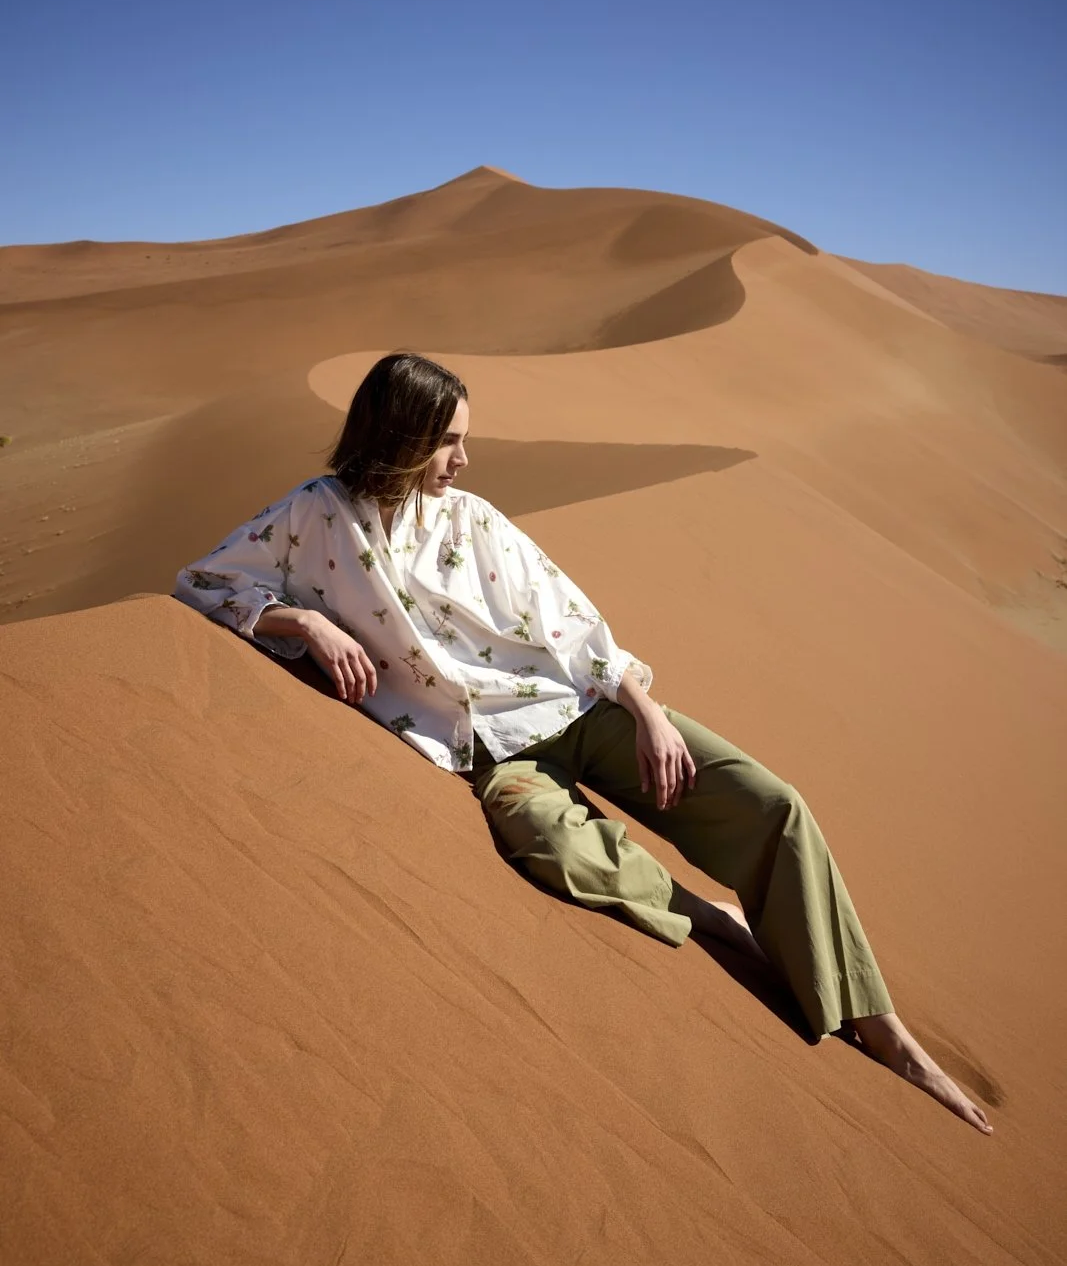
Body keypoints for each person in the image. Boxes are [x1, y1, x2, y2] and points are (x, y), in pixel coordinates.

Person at [173, 351, 992, 1135]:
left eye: (461, 438)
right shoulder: (312, 517)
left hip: (576, 710)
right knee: (555, 847)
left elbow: (569, 619)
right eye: (448, 440)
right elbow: (204, 581)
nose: (463, 458)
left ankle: (881, 1027)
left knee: (770, 805)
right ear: (400, 436)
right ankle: (707, 913)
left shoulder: (473, 519)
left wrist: (647, 711)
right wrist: (303, 618)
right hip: (485, 754)